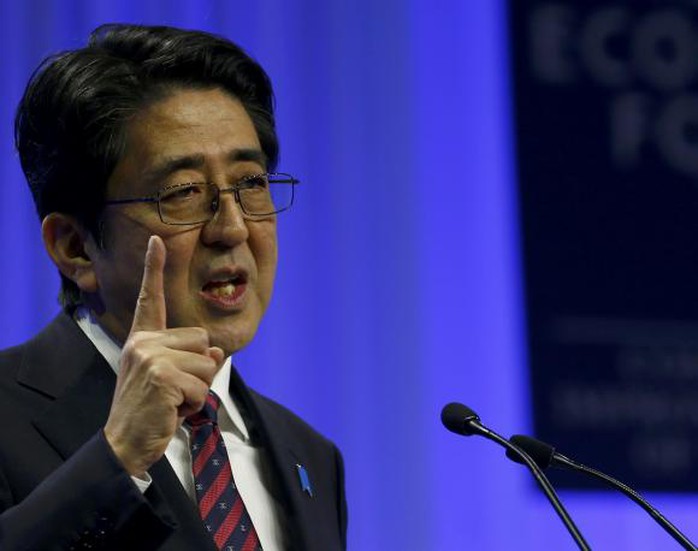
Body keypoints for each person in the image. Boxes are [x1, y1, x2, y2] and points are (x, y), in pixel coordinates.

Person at [0, 23, 347, 550]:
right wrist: (117, 459)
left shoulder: (312, 458)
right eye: (183, 192)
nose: (232, 228)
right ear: (74, 246)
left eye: (251, 183)